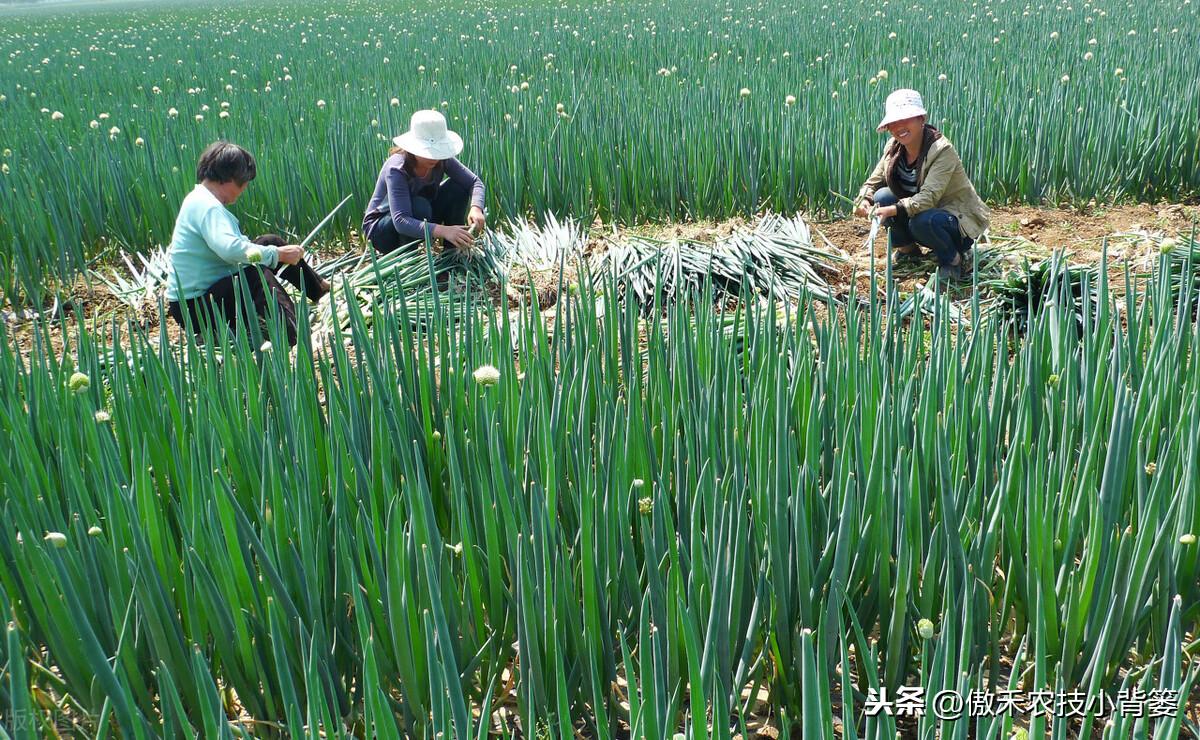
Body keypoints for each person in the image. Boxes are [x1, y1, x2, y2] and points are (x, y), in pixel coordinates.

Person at [164, 141, 329, 347]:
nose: (245, 188)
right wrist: (276, 255)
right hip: (196, 309)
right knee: (255, 276)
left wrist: (273, 250)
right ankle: (294, 334)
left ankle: (320, 291)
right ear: (231, 178)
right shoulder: (207, 207)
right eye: (245, 182)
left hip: (201, 299)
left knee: (269, 242)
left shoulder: (200, 199)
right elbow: (230, 249)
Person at [855, 89, 989, 282]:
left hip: (954, 222)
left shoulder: (942, 151)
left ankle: (954, 259)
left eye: (906, 118)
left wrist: (892, 210)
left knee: (921, 221)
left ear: (921, 118)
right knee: (881, 197)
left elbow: (929, 198)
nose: (899, 126)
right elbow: (873, 182)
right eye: (894, 122)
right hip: (919, 213)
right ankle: (909, 252)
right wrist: (864, 198)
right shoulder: (894, 148)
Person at [362, 109, 486, 255]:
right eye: (428, 152)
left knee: (457, 187)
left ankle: (452, 252)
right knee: (419, 206)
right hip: (383, 230)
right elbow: (401, 221)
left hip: (420, 219)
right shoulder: (397, 168)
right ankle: (407, 258)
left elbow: (474, 182)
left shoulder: (442, 159)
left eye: (438, 152)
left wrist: (476, 208)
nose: (434, 158)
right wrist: (444, 230)